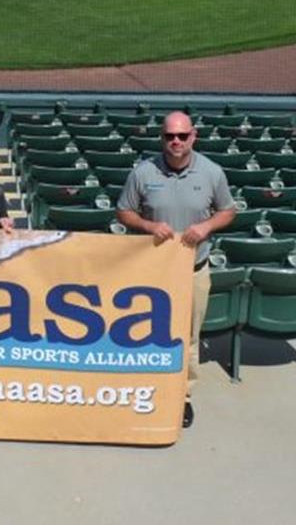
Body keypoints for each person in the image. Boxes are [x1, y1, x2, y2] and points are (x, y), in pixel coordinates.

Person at [115, 110, 235, 429]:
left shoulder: (212, 172)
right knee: (142, 333)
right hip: (152, 273)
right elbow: (123, 211)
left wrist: (207, 226)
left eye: (182, 135)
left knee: (188, 337)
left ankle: (182, 396)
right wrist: (147, 224)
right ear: (162, 138)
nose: (176, 142)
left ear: (193, 136)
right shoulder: (143, 173)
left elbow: (228, 211)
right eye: (170, 136)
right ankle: (145, 388)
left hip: (194, 270)